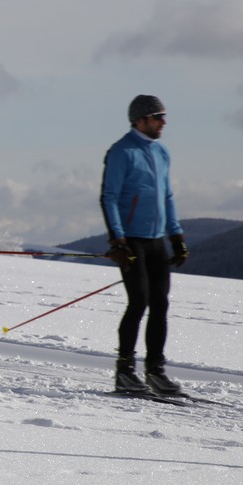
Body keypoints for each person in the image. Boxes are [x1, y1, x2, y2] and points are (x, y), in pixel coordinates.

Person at [99, 94, 189, 395]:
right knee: (139, 302)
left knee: (160, 304)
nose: (164, 122)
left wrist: (176, 236)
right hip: (132, 240)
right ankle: (125, 371)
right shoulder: (121, 151)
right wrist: (118, 239)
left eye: (164, 116)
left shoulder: (161, 152)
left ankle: (155, 371)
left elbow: (167, 196)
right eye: (157, 117)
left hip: (156, 239)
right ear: (140, 120)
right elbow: (109, 197)